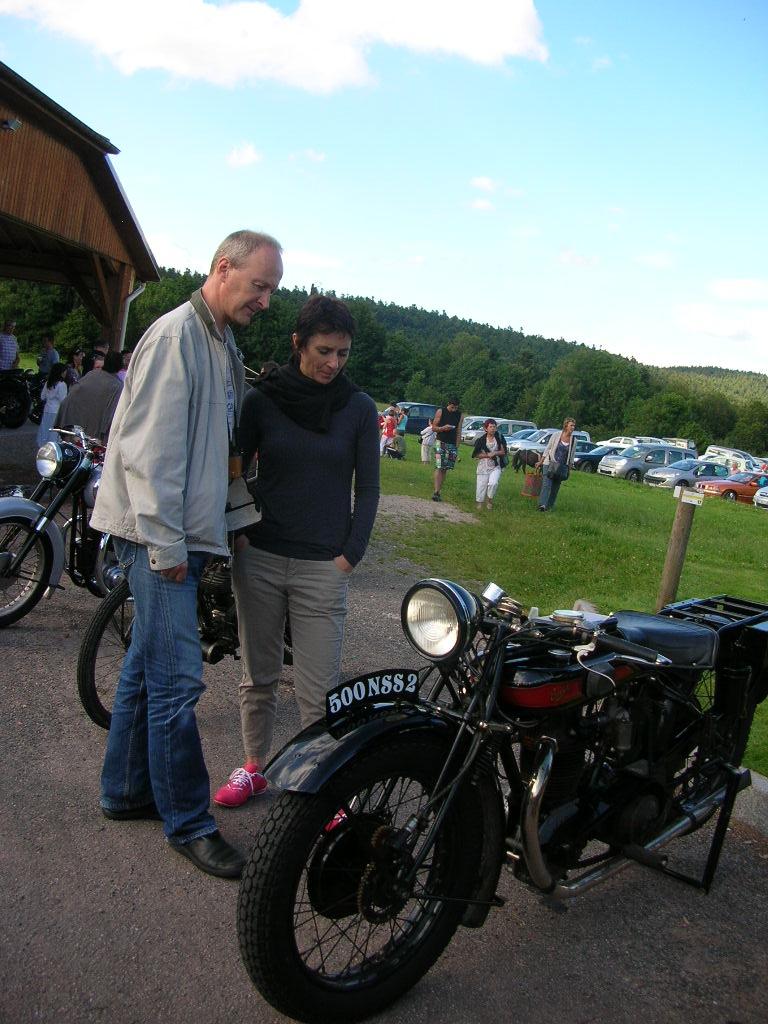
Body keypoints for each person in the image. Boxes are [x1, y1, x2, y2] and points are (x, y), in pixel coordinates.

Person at [89, 229, 284, 879]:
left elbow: (216, 447)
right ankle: (189, 822)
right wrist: (169, 546)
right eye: (259, 285)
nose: (266, 300)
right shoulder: (177, 337)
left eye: (272, 290)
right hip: (157, 536)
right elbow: (151, 455)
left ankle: (124, 792)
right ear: (222, 269)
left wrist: (232, 521)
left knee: (147, 669)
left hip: (184, 533)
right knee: (178, 682)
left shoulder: (222, 342)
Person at [213, 294, 380, 808]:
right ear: (297, 344)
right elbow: (235, 466)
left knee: (319, 690)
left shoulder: (359, 408)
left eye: (344, 353)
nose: (334, 363)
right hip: (259, 555)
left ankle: (319, 787)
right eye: (325, 351)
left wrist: (350, 554)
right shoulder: (263, 399)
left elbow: (368, 490)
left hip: (322, 565)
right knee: (258, 676)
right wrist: (238, 531)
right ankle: (254, 767)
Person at [55, 350, 124, 442]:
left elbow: (73, 393)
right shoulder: (117, 386)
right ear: (119, 366)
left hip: (74, 424)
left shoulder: (91, 374)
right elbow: (111, 413)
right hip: (94, 432)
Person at [537, 417, 577, 511]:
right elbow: (548, 448)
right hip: (549, 463)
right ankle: (542, 505)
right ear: (566, 425)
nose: (573, 427)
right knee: (546, 485)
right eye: (571, 425)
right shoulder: (556, 435)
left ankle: (549, 506)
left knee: (555, 487)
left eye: (574, 426)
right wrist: (541, 461)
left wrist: (569, 469)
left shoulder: (574, 440)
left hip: (562, 467)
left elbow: (572, 455)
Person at [472, 418, 508, 510]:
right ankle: (479, 503)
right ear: (486, 428)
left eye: (494, 427)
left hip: (496, 465)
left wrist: (495, 453)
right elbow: (476, 455)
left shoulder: (499, 437)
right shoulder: (481, 440)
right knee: (481, 485)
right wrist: (487, 455)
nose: (493, 429)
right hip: (483, 465)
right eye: (491, 427)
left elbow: (503, 452)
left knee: (493, 483)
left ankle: (489, 500)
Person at [431, 396, 462, 501]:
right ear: (448, 404)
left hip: (452, 444)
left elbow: (459, 431)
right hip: (441, 441)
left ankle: (439, 491)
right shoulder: (441, 412)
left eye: (456, 408)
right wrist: (443, 428)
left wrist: (457, 446)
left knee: (445, 468)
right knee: (439, 466)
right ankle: (435, 491)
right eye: (452, 407)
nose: (454, 410)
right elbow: (434, 427)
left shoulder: (459, 415)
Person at [36, 363, 68, 445]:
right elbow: (63, 400)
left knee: (45, 430)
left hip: (47, 410)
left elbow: (42, 396)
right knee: (54, 432)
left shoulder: (48, 383)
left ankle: (42, 447)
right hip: (56, 412)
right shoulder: (62, 385)